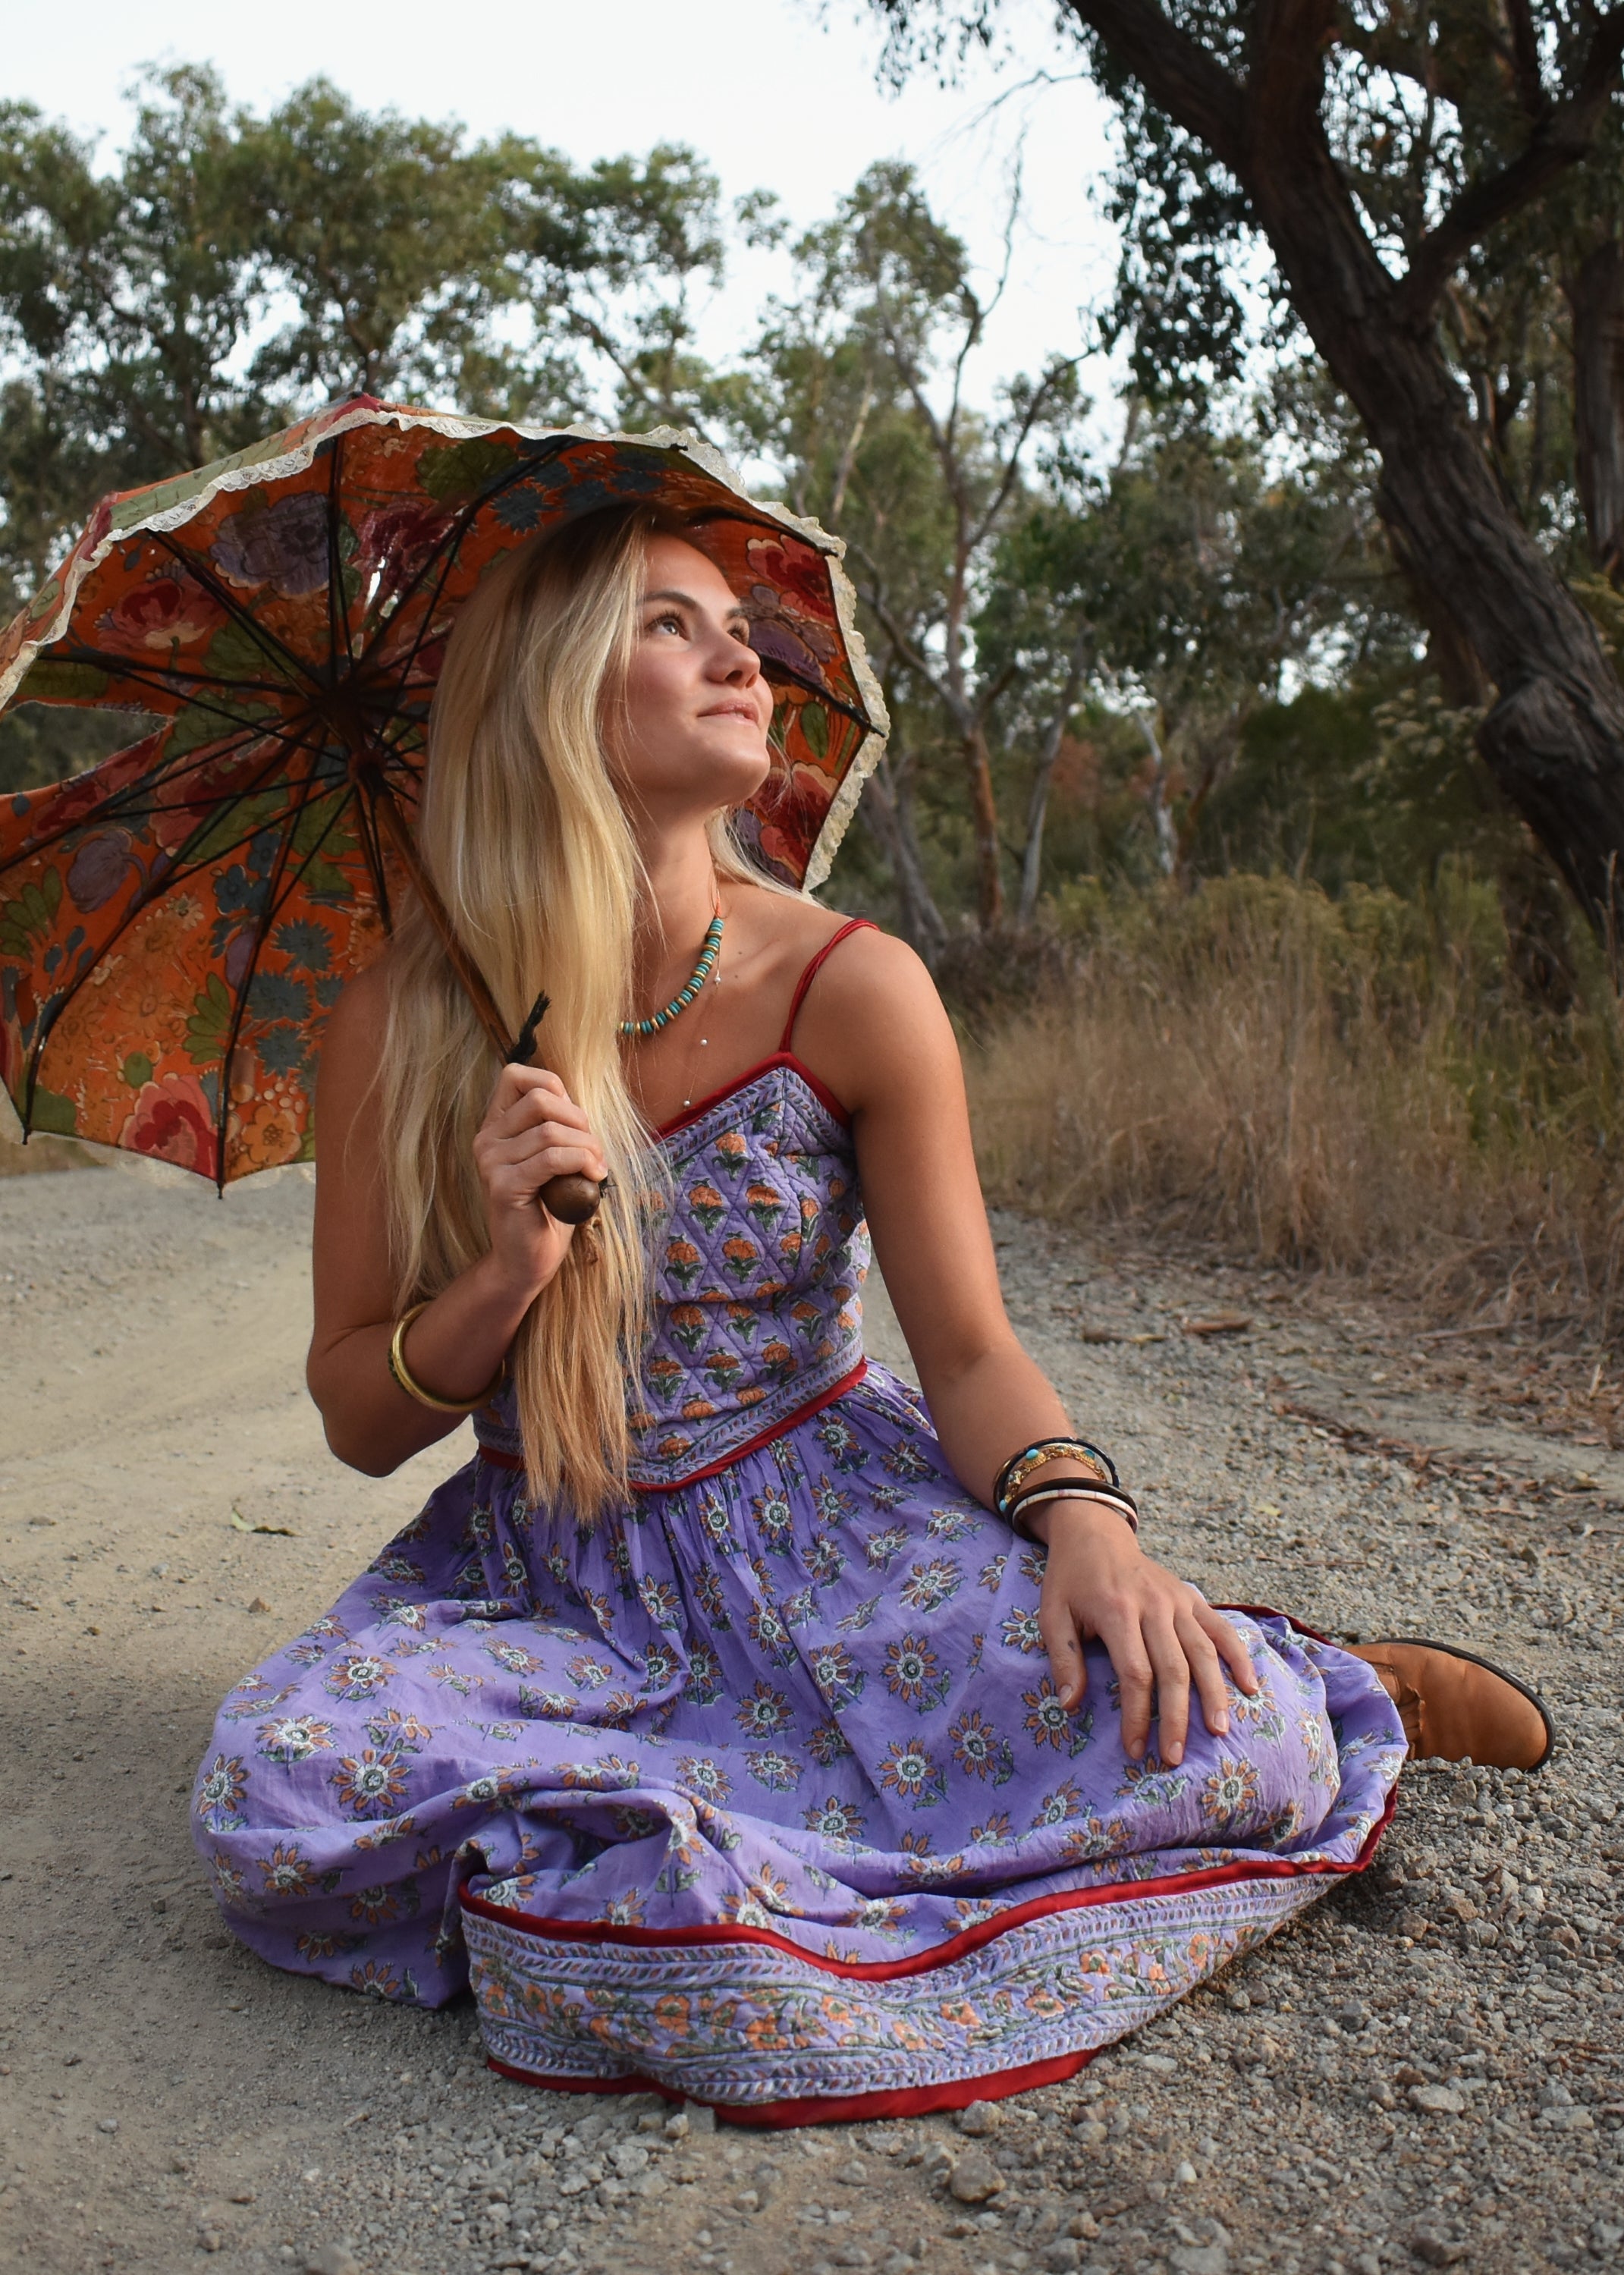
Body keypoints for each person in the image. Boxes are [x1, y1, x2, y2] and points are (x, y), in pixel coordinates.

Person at [193, 502, 1552, 2123]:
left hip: (825, 1531)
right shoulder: (406, 1026)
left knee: (1209, 1739)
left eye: (737, 626)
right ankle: (706, 1814)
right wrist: (502, 1277)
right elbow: (358, 1415)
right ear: (550, 696)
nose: (738, 655)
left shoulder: (855, 984)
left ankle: (1333, 1679)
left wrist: (1087, 1526)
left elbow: (968, 1351)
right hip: (548, 1574)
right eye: (669, 625)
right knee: (271, 1790)